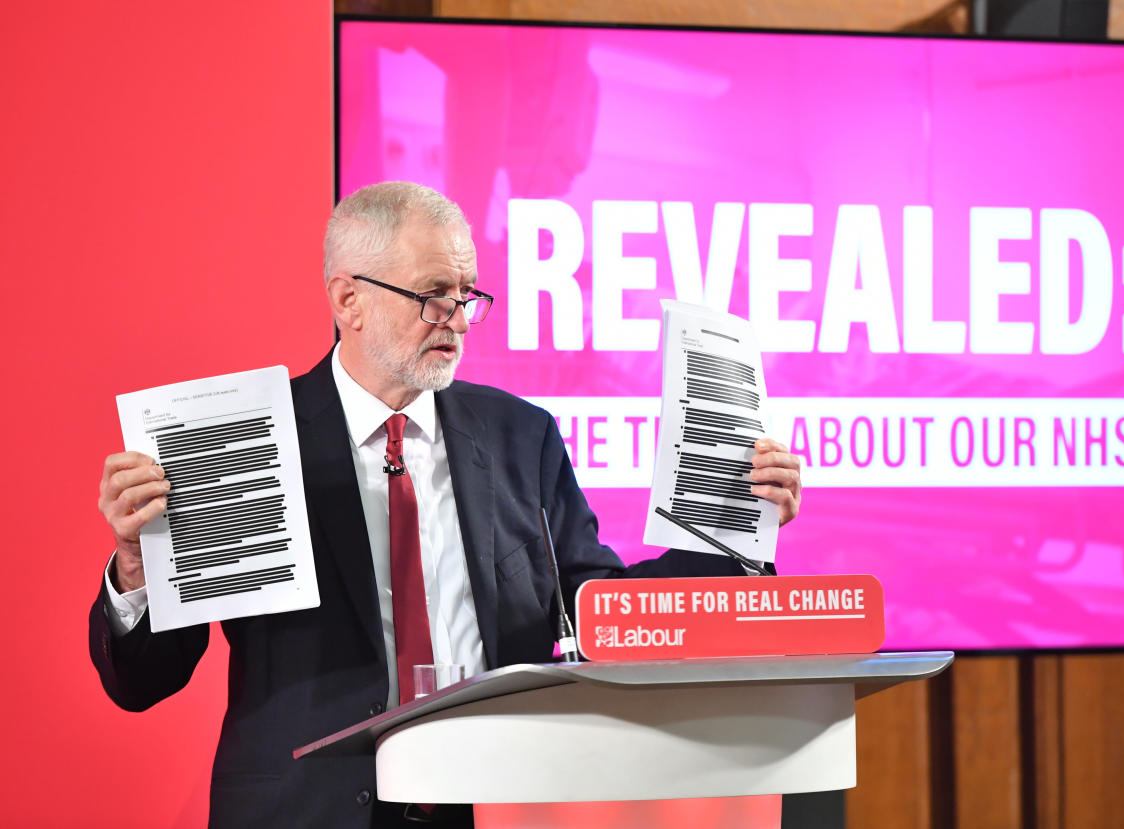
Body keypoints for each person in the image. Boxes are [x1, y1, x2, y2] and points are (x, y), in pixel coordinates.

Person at [90, 182, 803, 828]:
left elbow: (601, 612)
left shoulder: (521, 436)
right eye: (433, 294)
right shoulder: (251, 438)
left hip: (489, 805)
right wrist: (136, 566)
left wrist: (729, 534)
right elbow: (145, 680)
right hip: (304, 812)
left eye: (467, 294)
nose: (457, 318)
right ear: (349, 301)